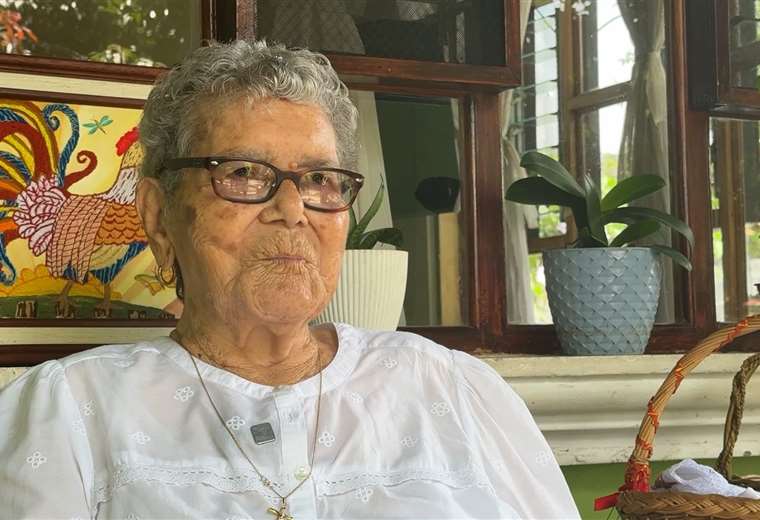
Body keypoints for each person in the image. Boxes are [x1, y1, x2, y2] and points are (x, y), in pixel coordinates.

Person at [0, 40, 580, 519]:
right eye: (243, 173)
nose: (292, 209)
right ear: (159, 216)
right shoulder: (69, 411)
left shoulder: (449, 389)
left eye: (321, 179)